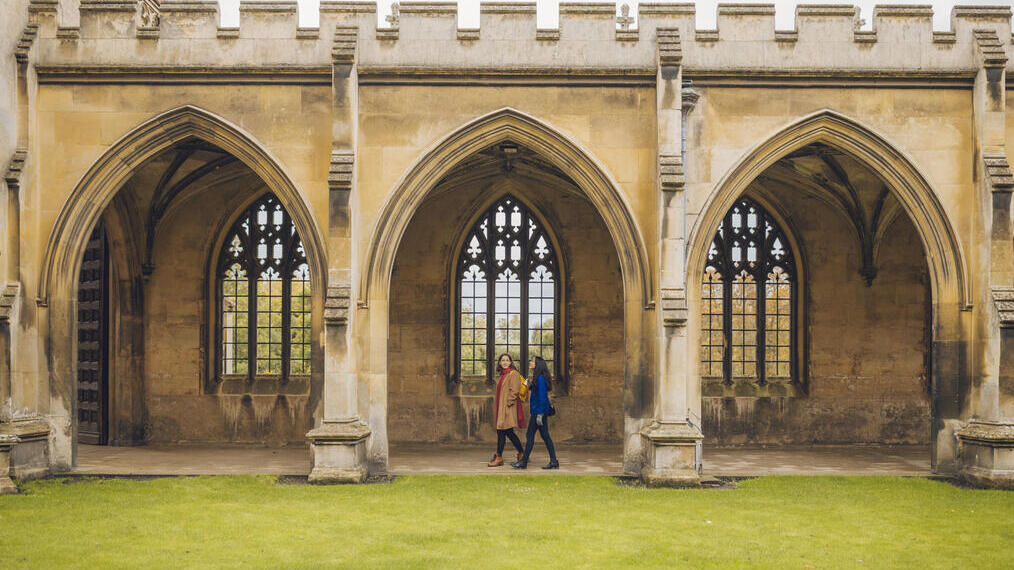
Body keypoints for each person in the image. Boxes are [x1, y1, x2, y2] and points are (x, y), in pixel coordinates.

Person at [512, 356, 559, 470]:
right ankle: (553, 461)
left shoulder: (541, 379)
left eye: (532, 361)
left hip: (539, 413)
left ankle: (524, 462)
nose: (530, 362)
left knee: (531, 436)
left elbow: (543, 398)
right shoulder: (537, 378)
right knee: (545, 437)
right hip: (537, 412)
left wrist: (540, 415)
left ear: (538, 365)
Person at [488, 353, 526, 467]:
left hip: (507, 409)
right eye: (502, 360)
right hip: (502, 408)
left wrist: (507, 405)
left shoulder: (513, 374)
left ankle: (499, 457)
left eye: (507, 360)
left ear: (510, 363)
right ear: (499, 362)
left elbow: (514, 391)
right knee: (508, 433)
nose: (505, 362)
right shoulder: (503, 375)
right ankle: (521, 453)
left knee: (502, 432)